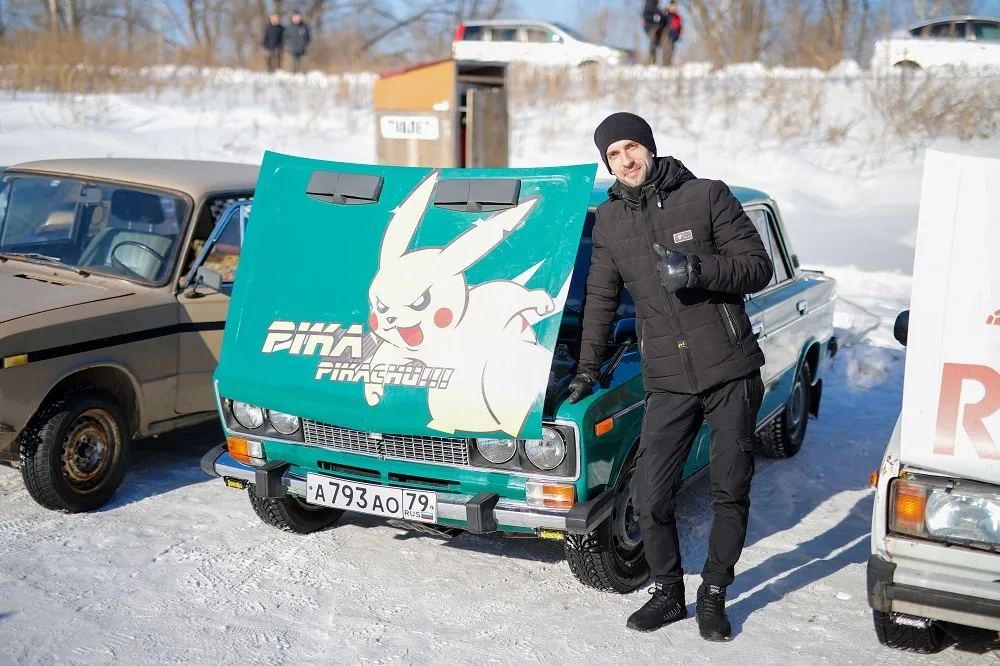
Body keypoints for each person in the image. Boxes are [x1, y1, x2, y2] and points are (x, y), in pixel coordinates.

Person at [567, 112, 773, 642]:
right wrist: (588, 368)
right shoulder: (610, 221)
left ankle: (714, 593)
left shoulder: (706, 195)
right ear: (606, 162)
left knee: (731, 488)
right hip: (667, 374)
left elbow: (756, 266)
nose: (626, 159)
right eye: (614, 154)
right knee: (650, 492)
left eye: (632, 147)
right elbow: (601, 300)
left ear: (650, 147)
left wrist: (698, 269)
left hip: (728, 365)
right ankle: (667, 591)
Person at [286, 9, 311, 74]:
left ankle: (303, 78)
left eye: (298, 16)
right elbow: (285, 38)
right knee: (292, 68)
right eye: (295, 16)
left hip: (303, 50)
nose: (296, 18)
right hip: (292, 50)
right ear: (292, 17)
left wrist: (306, 45)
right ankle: (292, 77)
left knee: (304, 68)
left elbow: (308, 37)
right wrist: (288, 45)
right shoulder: (289, 27)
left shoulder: (304, 26)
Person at [642, 0, 663, 65]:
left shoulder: (656, 5)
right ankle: (650, 60)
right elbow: (645, 15)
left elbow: (660, 15)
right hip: (650, 27)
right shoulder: (649, 4)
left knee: (656, 43)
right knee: (653, 41)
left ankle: (654, 61)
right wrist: (653, 18)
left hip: (656, 28)